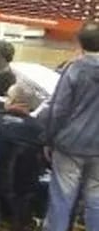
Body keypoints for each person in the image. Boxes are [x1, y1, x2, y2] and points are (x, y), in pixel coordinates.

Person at [41, 22, 99, 231]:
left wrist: (49, 139)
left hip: (70, 144)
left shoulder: (74, 68)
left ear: (80, 42)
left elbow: (59, 109)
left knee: (61, 199)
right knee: (96, 201)